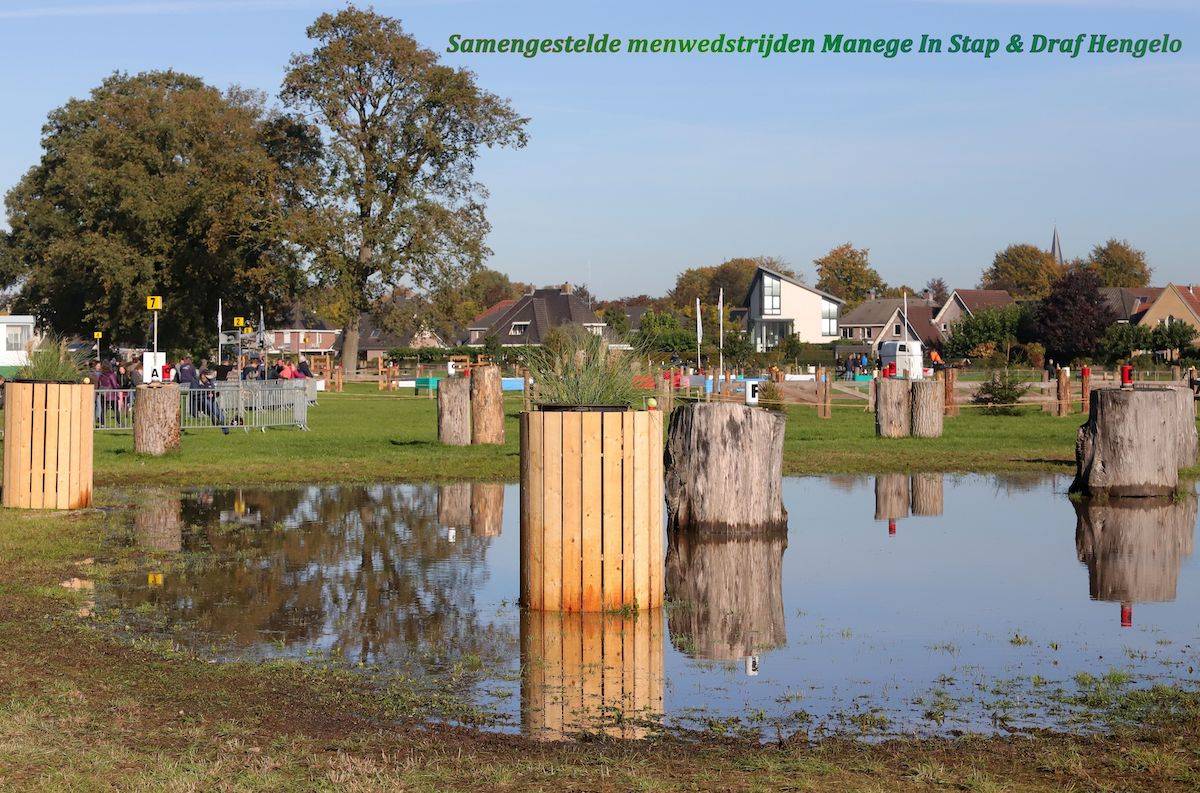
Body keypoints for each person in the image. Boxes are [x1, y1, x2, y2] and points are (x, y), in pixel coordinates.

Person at [196, 368, 230, 435]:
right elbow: (197, 392)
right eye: (203, 375)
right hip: (204, 400)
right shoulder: (198, 382)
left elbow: (213, 390)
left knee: (218, 413)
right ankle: (214, 418)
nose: (204, 377)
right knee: (214, 412)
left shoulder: (210, 382)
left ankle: (225, 429)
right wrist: (206, 394)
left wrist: (215, 394)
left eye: (205, 375)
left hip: (212, 400)